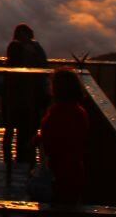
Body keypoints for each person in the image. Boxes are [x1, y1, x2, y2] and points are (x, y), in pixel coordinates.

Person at [39, 68, 89, 204]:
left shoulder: (57, 113)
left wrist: (39, 139)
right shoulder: (79, 112)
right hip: (76, 170)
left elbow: (51, 144)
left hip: (58, 173)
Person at [4, 23, 48, 165]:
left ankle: (20, 153)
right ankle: (27, 154)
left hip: (27, 91)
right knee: (24, 123)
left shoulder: (25, 47)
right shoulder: (26, 47)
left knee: (22, 123)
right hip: (25, 92)